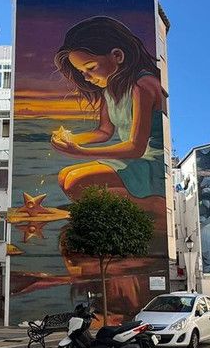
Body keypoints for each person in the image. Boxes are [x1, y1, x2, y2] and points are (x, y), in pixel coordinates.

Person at [49, 16, 166, 212]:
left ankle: (153, 206)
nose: (86, 77)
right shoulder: (109, 89)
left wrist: (81, 152)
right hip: (130, 158)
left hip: (150, 162)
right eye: (81, 71)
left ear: (117, 56)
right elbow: (104, 131)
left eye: (90, 68)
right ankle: (128, 204)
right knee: (64, 177)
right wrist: (71, 138)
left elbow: (136, 147)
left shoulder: (143, 85)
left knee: (75, 183)